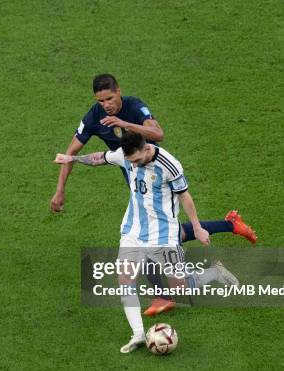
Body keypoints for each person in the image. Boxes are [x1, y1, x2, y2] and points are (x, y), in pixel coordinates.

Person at [50, 73, 256, 316]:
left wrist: (124, 124)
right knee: (161, 236)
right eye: (100, 100)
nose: (106, 104)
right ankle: (226, 230)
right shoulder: (95, 116)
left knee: (156, 239)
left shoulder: (135, 107)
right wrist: (60, 189)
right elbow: (74, 151)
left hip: (158, 181)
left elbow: (158, 134)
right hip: (138, 184)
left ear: (119, 91)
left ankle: (165, 294)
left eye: (109, 98)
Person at [54, 130, 239, 353]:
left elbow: (185, 197)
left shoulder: (169, 164)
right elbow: (100, 158)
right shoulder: (126, 155)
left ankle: (215, 272)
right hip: (133, 230)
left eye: (138, 160)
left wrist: (197, 228)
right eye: (131, 162)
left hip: (164, 235)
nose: (135, 164)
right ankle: (138, 334)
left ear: (146, 148)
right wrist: (72, 158)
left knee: (180, 290)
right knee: (124, 279)